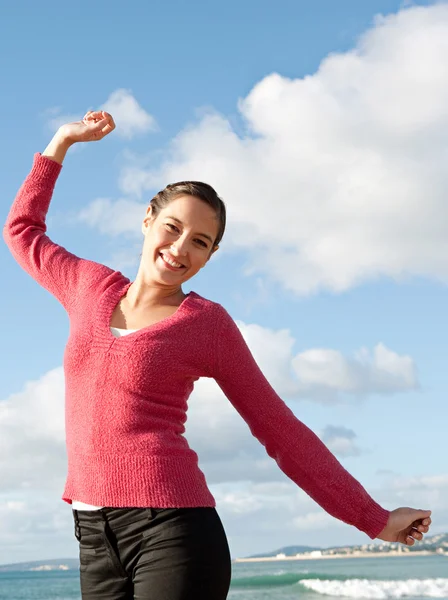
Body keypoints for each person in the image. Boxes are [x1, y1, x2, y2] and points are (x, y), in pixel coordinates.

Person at [3, 110, 431, 600]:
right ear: (147, 219)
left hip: (173, 532)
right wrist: (61, 142)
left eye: (200, 242)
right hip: (92, 538)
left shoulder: (205, 324)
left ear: (209, 256)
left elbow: (279, 428)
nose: (180, 248)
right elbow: (22, 230)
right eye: (172, 227)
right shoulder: (88, 286)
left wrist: (371, 518)